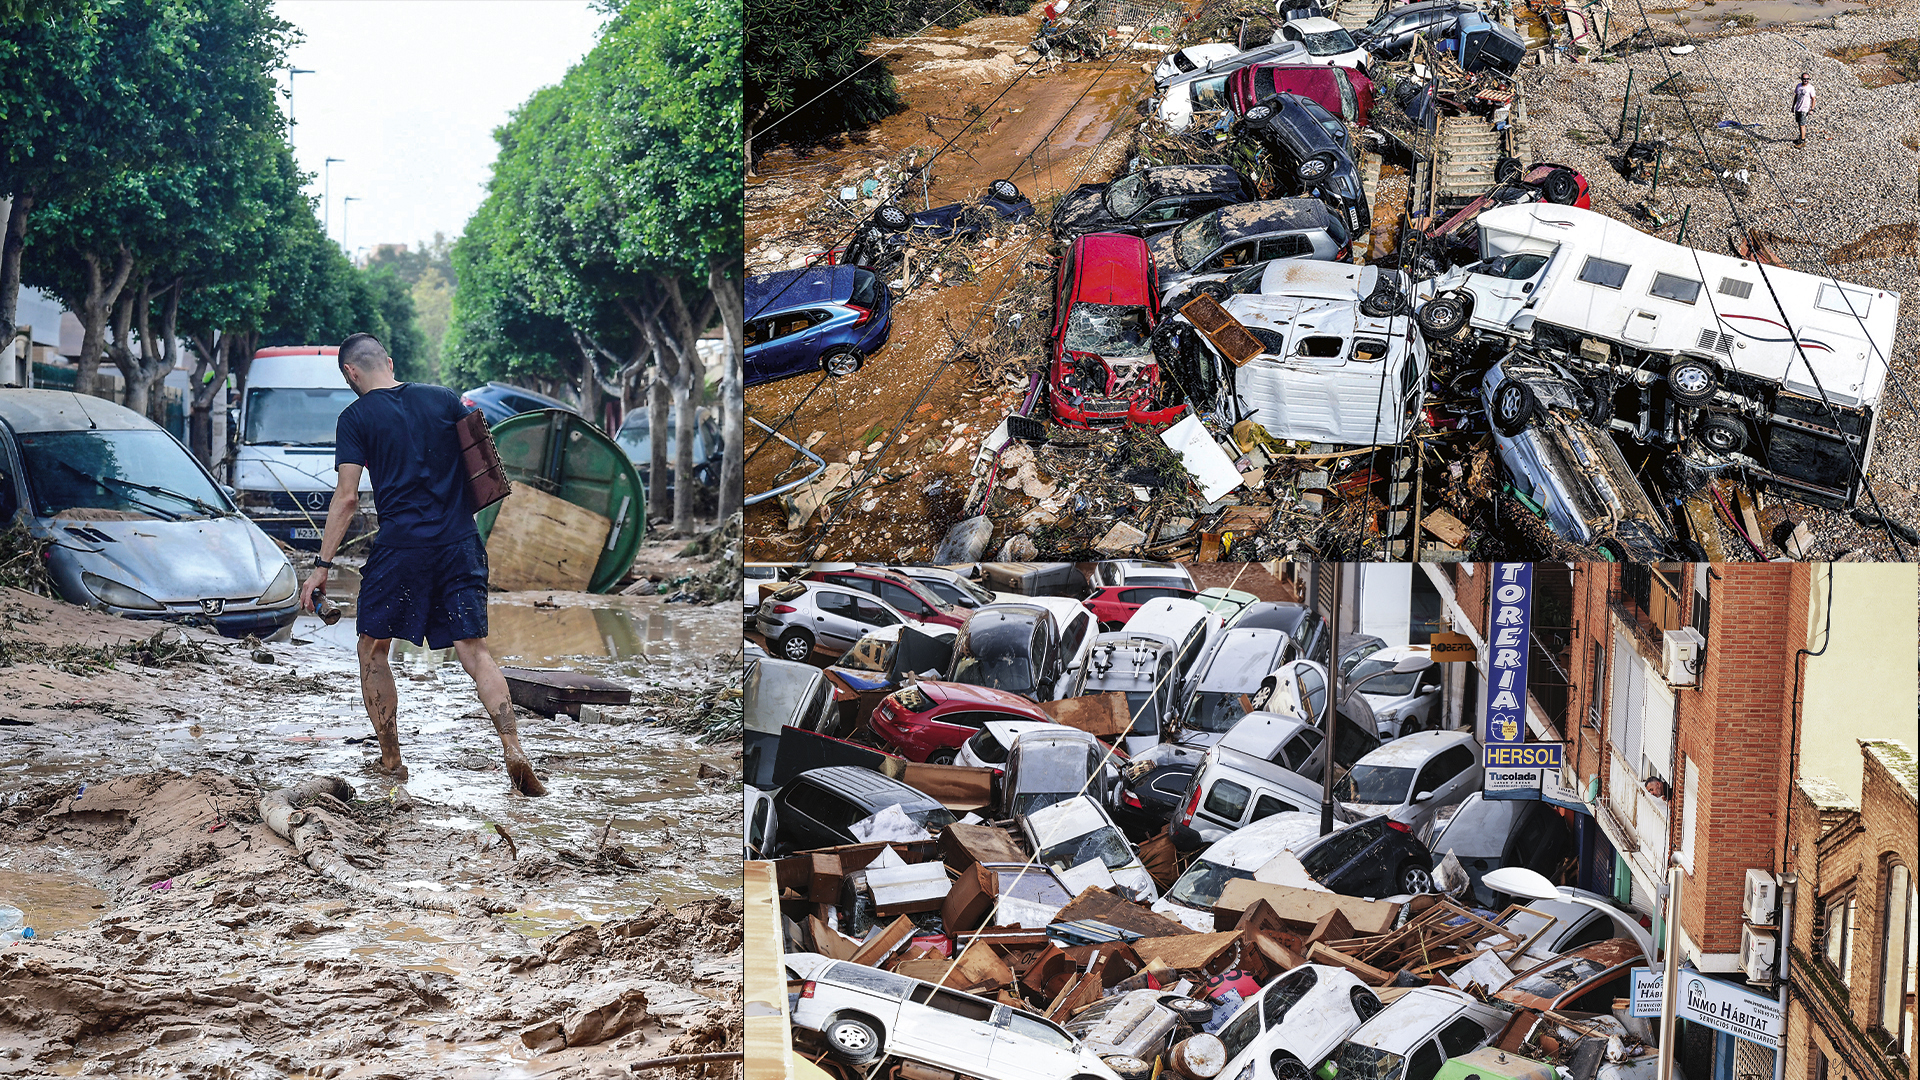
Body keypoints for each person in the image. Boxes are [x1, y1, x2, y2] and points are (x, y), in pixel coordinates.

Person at [299, 333, 547, 797]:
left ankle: (391, 762)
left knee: (373, 647)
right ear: (389, 362)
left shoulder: (354, 418)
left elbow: (348, 498)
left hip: (401, 548)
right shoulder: (445, 399)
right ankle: (513, 748)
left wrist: (321, 566)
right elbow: (484, 469)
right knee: (475, 651)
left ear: (351, 373)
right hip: (460, 540)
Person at [1792, 73, 1815, 145]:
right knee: (1799, 123)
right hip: (1798, 108)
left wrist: (1812, 109)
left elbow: (1813, 99)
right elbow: (1796, 96)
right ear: (1801, 79)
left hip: (1804, 109)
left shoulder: (1810, 88)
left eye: (1807, 79)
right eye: (1804, 79)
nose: (1806, 80)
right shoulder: (1798, 86)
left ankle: (1802, 141)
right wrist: (1793, 106)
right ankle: (1801, 137)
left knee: (1802, 124)